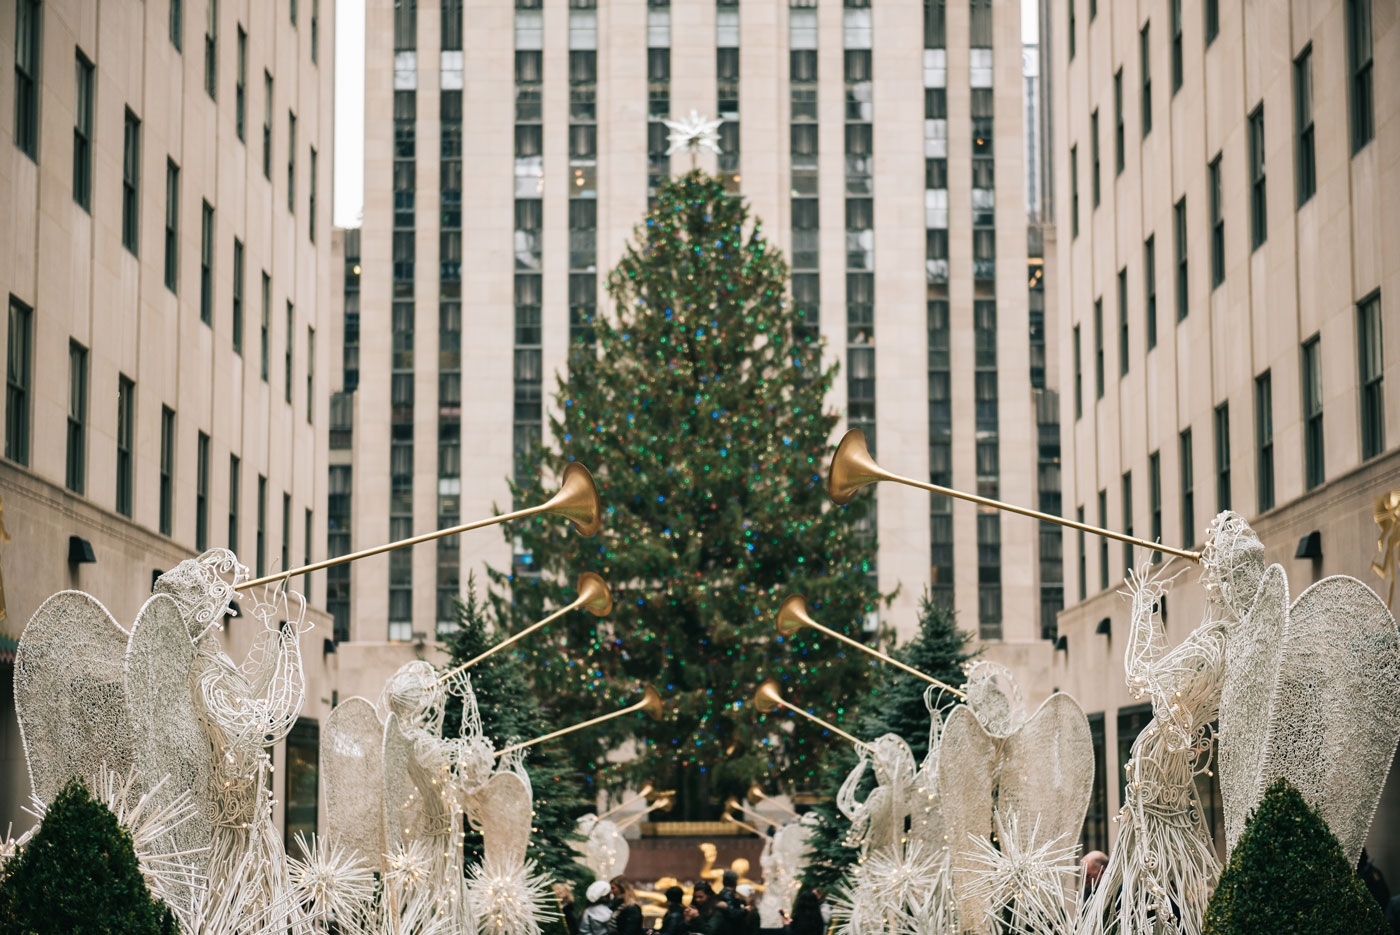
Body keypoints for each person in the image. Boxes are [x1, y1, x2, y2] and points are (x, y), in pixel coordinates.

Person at [714, 870, 750, 935]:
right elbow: (731, 913)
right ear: (735, 882)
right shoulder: (728, 894)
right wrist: (745, 910)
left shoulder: (723, 893)